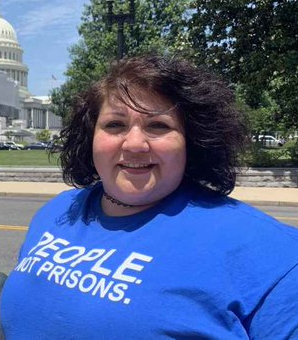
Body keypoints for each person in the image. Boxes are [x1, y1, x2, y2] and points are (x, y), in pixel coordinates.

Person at [1, 54, 298, 340]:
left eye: (158, 125)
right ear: (91, 136)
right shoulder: (58, 211)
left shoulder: (273, 255)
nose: (134, 144)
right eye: (115, 125)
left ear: (192, 140)